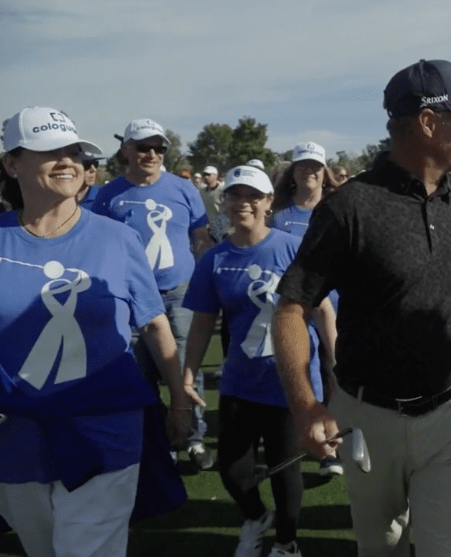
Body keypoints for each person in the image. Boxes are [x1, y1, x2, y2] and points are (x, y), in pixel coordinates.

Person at [273, 59, 451, 557]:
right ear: (428, 122)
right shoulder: (350, 207)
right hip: (367, 421)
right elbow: (292, 308)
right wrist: (305, 405)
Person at [0, 107, 191, 557]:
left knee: (87, 549)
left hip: (106, 424)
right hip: (16, 431)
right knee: (43, 548)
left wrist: (179, 399)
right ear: (12, 163)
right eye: (50, 152)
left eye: (73, 151)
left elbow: (154, 322)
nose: (67, 161)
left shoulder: (117, 238)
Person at [183, 165, 334, 557]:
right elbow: (202, 325)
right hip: (239, 381)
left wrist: (336, 366)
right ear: (225, 201)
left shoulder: (290, 248)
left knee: (285, 469)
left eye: (253, 196)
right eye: (235, 195)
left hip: (291, 381)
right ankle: (255, 517)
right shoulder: (214, 260)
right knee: (232, 470)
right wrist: (186, 374)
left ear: (269, 202)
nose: (243, 203)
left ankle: (286, 543)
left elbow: (323, 314)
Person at [91, 119, 213, 471]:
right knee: (140, 371)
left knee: (188, 370)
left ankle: (194, 437)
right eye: (143, 147)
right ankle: (162, 440)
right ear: (126, 150)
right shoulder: (108, 193)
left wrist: (196, 275)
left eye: (158, 148)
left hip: (178, 292)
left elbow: (200, 235)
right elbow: (100, 244)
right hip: (130, 298)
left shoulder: (183, 188)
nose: (152, 154)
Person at [270, 141, 342, 476]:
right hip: (297, 312)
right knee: (308, 376)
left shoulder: (339, 209)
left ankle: (341, 438)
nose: (309, 171)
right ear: (293, 172)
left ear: (324, 171)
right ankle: (322, 446)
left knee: (339, 376)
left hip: (339, 309)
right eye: (302, 166)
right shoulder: (280, 216)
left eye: (315, 166)